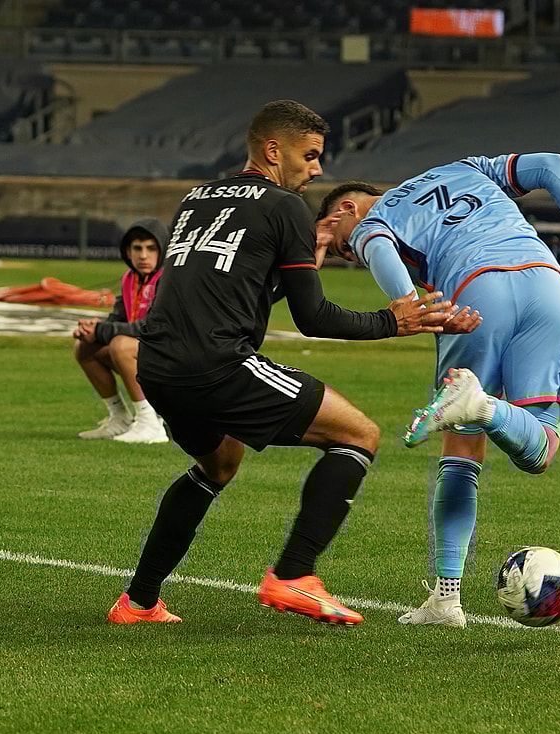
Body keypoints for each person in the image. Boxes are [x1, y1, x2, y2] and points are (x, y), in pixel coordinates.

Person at [107, 100, 479, 627]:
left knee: (218, 465)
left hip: (160, 368)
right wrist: (391, 322)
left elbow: (238, 293)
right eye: (309, 155)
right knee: (358, 435)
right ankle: (293, 574)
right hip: (218, 364)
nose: (317, 168)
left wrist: (308, 255)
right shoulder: (285, 206)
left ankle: (138, 602)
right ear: (273, 150)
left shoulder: (197, 198)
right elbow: (314, 318)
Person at [316, 152, 560, 627]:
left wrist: (409, 305)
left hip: (475, 293)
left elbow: (373, 243)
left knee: (461, 451)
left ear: (346, 210)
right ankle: (487, 409)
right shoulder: (465, 168)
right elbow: (554, 165)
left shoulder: (374, 217)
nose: (346, 255)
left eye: (339, 247)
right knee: (541, 450)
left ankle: (445, 599)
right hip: (547, 283)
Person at [73, 218, 170, 444]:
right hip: (149, 353)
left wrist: (102, 330)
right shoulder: (130, 279)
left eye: (151, 248)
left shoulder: (170, 279)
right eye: (137, 248)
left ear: (163, 249)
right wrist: (92, 330)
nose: (143, 255)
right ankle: (120, 418)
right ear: (128, 251)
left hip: (177, 357)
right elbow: (117, 319)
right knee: (85, 347)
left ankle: (150, 423)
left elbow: (152, 328)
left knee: (121, 345)